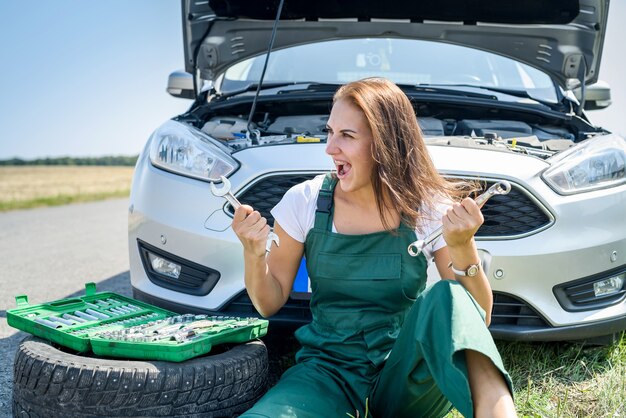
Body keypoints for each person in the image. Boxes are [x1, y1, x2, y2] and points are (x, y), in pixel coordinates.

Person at [232, 78, 516, 417]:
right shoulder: (304, 201)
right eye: (330, 131)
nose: (330, 147)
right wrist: (253, 251)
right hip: (327, 373)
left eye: (347, 136)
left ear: (384, 143)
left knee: (449, 296)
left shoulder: (428, 208)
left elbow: (477, 318)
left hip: (404, 374)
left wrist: (461, 245)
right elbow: (268, 301)